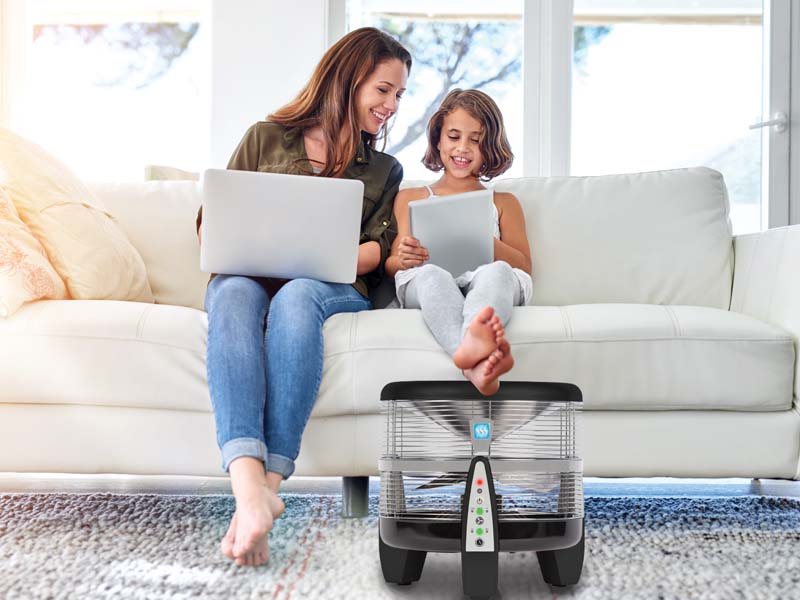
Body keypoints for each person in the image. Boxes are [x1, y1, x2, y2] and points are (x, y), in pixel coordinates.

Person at [197, 27, 411, 567]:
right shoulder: (265, 137)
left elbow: (373, 254)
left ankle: (265, 488)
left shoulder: (385, 170)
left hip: (332, 288)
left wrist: (320, 249)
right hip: (250, 277)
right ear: (348, 78)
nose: (391, 105)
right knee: (230, 293)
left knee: (295, 297)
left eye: (398, 96)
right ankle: (251, 493)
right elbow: (212, 227)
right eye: (383, 90)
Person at [386, 89, 532, 396]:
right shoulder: (410, 197)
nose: (462, 148)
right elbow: (392, 265)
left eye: (475, 140)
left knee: (499, 272)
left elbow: (524, 265)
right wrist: (404, 257)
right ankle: (471, 358)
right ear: (438, 139)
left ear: (490, 146)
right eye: (453, 136)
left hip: (484, 275)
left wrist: (482, 239)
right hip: (430, 276)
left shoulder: (504, 202)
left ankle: (470, 356)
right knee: (431, 275)